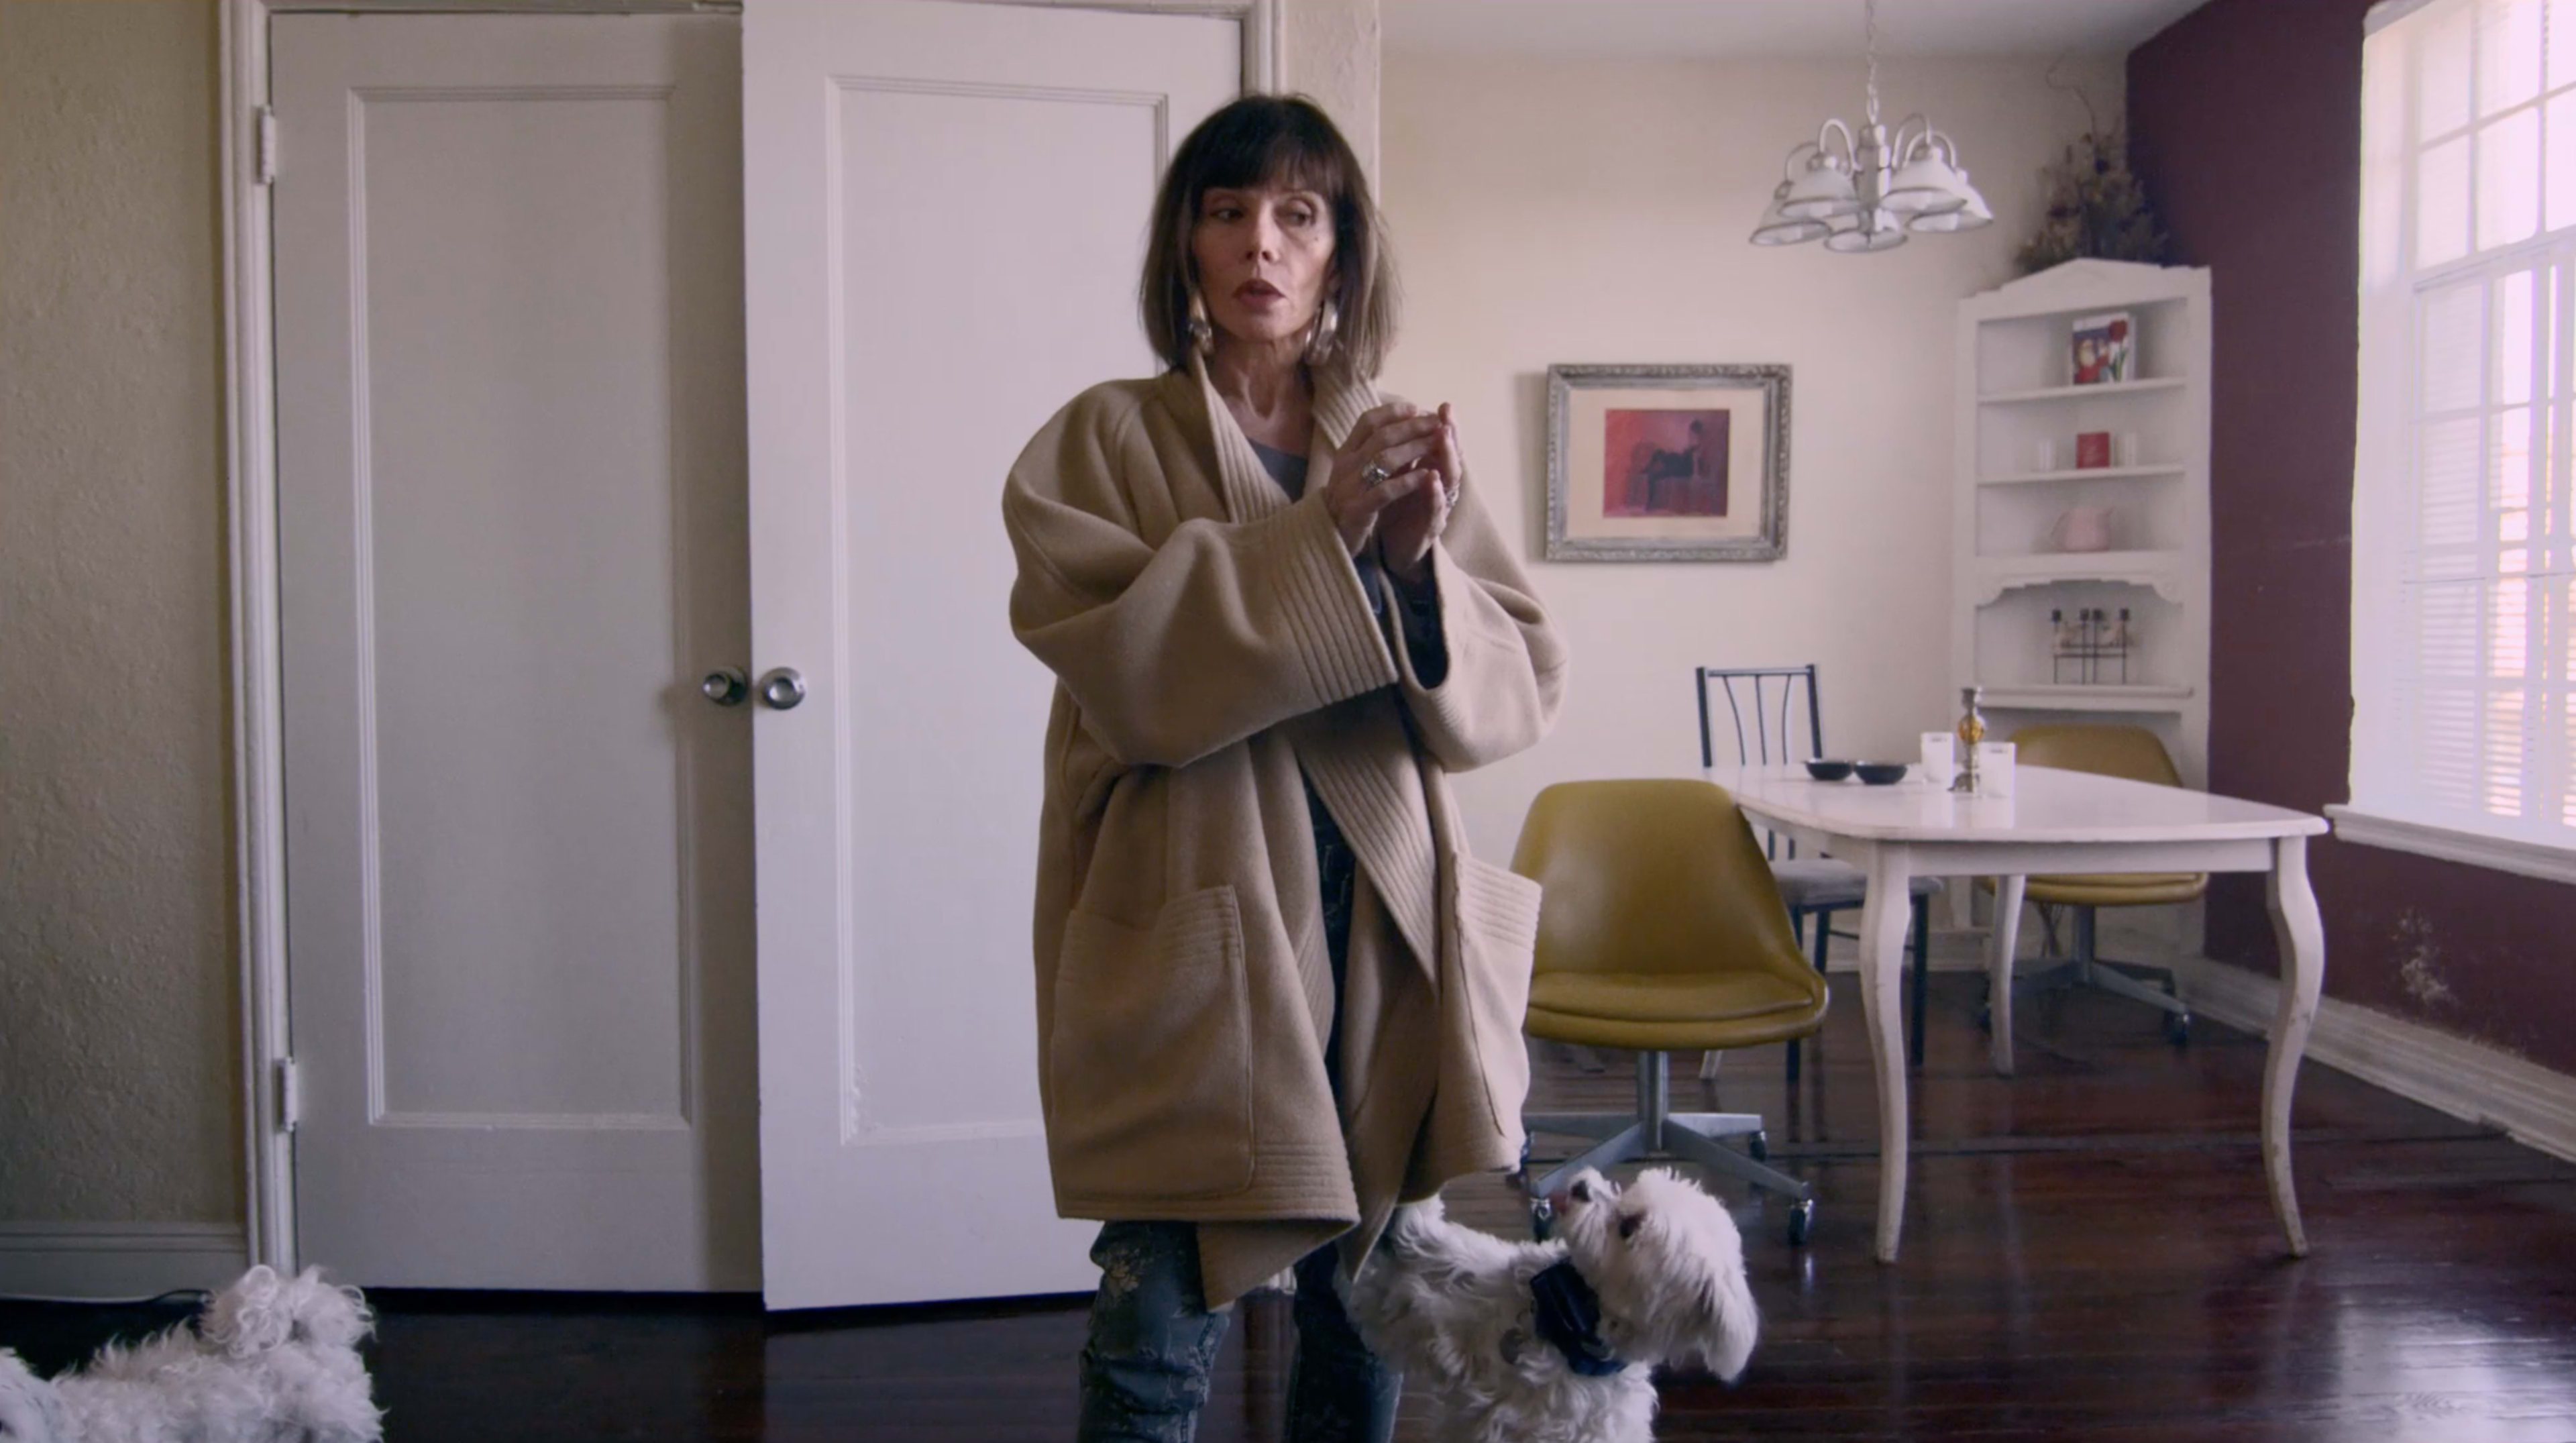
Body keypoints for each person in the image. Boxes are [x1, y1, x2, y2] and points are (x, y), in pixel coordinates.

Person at [1002, 94, 1567, 1442]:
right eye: (1228, 210)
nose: (1262, 242)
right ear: (1188, 250)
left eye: (1297, 216)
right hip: (1199, 911)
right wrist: (1324, 536)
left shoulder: (1392, 439)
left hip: (1380, 905)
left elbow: (1521, 678)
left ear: (1340, 255)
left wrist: (1417, 559)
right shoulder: (1099, 441)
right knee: (1156, 1309)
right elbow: (1135, 678)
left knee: (1362, 1293)